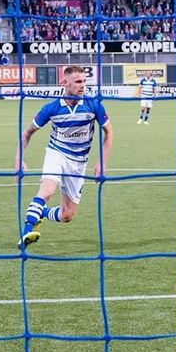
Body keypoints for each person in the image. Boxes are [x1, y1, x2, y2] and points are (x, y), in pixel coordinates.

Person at [16, 65, 114, 248]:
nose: (83, 85)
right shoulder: (51, 108)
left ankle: (41, 213)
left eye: (84, 81)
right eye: (78, 82)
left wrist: (102, 161)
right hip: (57, 153)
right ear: (64, 83)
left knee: (67, 215)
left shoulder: (93, 104)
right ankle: (26, 232)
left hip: (79, 163)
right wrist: (18, 160)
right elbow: (27, 133)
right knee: (47, 190)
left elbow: (109, 133)